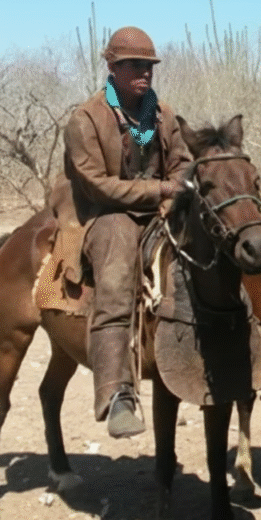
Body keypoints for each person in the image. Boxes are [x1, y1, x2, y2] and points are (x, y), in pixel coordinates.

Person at [54, 26, 192, 438]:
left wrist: (174, 196)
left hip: (157, 208)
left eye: (148, 65)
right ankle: (116, 394)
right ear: (112, 68)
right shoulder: (86, 118)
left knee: (213, 251)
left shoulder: (161, 113)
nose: (144, 72)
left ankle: (253, 353)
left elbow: (183, 163)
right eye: (134, 65)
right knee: (115, 279)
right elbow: (98, 184)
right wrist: (161, 190)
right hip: (105, 213)